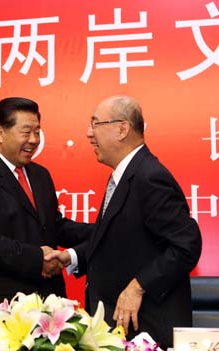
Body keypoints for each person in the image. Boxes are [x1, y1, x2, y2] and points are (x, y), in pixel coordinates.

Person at [45, 95, 202, 349]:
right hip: (120, 330)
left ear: (122, 129)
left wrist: (138, 286)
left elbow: (187, 245)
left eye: (95, 124)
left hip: (147, 330)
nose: (88, 133)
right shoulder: (125, 175)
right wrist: (73, 257)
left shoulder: (150, 177)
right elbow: (122, 240)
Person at [0, 97, 91, 313]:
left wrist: (102, 230)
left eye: (37, 132)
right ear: (0, 133)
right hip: (2, 311)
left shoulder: (40, 175)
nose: (34, 140)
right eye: (26, 132)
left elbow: (54, 226)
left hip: (51, 305)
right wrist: (37, 259)